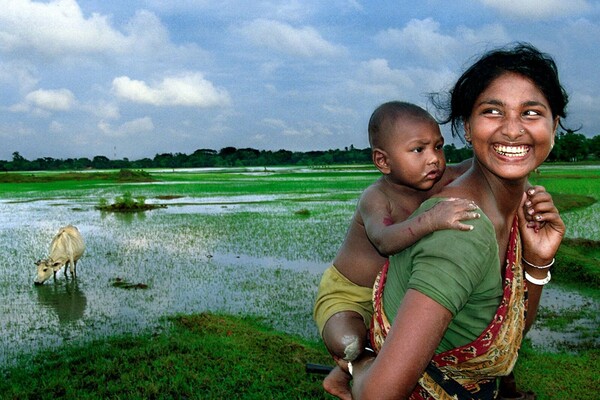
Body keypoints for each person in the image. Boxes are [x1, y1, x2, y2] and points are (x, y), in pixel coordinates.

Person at [349, 43, 567, 399]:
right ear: (467, 127)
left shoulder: (519, 204)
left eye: (531, 113)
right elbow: (378, 393)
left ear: (553, 126)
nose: (513, 130)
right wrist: (356, 366)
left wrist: (537, 262)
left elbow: (507, 341)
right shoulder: (461, 229)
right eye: (493, 111)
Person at [313, 101, 477, 399]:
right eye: (419, 150)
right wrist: (430, 220)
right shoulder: (376, 198)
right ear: (383, 161)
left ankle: (343, 373)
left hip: (390, 293)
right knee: (349, 342)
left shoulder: (436, 179)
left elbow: (472, 167)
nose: (434, 160)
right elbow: (384, 240)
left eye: (438, 147)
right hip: (349, 293)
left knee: (409, 337)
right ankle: (357, 365)